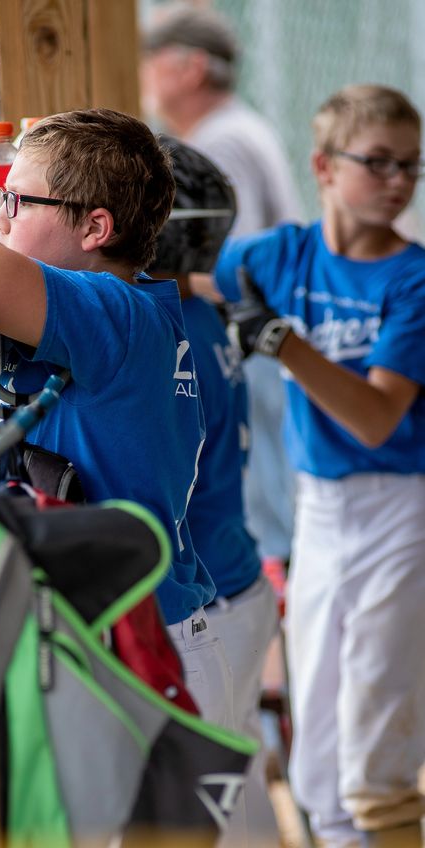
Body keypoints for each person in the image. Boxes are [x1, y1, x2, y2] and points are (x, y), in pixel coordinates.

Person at [0, 107, 230, 726]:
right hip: (132, 640)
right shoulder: (119, 315)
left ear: (95, 227)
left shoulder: (119, 313)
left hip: (145, 654)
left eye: (15, 200)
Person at [216, 84, 425, 848]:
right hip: (319, 507)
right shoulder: (284, 254)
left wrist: (280, 342)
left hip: (400, 505)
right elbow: (193, 278)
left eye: (411, 165)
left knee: (374, 736)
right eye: (378, 161)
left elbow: (374, 418)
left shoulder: (412, 278)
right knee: (318, 751)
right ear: (324, 167)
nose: (398, 181)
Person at [149, 136, 281, 846]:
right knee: (238, 793)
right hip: (235, 581)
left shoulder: (165, 330)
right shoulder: (194, 312)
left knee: (210, 815)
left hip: (212, 602)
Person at [140, 2, 300, 570]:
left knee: (262, 493)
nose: (144, 73)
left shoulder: (221, 139)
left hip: (251, 333)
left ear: (191, 68)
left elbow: (227, 263)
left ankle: (276, 584)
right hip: (260, 333)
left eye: (152, 59)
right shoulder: (237, 125)